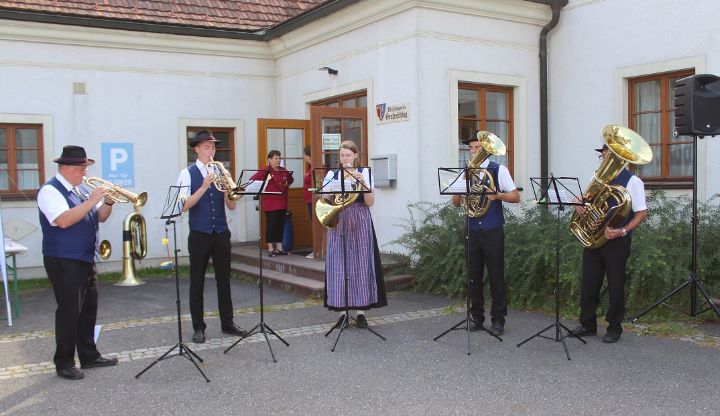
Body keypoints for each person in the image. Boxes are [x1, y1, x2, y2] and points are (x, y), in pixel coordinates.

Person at [38, 145, 119, 380]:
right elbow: (63, 220)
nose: (85, 173)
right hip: (63, 259)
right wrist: (92, 199)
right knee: (69, 311)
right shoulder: (50, 191)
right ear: (66, 168)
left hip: (85, 257)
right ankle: (64, 362)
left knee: (88, 309)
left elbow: (99, 217)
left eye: (85, 168)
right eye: (81, 169)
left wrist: (108, 203)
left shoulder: (81, 190)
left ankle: (89, 355)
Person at [570, 144, 648, 343]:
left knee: (615, 285)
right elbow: (587, 202)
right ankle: (587, 324)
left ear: (620, 159)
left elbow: (641, 212)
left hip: (616, 240)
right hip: (594, 237)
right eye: (603, 156)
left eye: (607, 156)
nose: (604, 160)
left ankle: (614, 327)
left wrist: (622, 230)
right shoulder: (597, 178)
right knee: (589, 283)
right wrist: (579, 203)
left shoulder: (633, 181)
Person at [177, 130, 246, 344]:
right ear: (196, 149)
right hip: (199, 233)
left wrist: (226, 190)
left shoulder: (221, 171)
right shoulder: (187, 174)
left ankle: (228, 322)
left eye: (213, 147)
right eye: (206, 147)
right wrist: (204, 186)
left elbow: (233, 205)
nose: (211, 151)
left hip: (221, 233)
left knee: (223, 280)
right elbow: (183, 205)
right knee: (196, 281)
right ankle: (199, 327)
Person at [451, 132, 520, 336]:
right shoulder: (466, 171)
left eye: (477, 148)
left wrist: (497, 195)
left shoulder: (499, 170)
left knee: (496, 275)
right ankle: (476, 317)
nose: (473, 151)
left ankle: (498, 319)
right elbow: (455, 203)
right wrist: (459, 191)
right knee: (473, 276)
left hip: (492, 230)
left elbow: (516, 196)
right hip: (472, 229)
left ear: (485, 150)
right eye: (471, 148)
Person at [323, 140, 387, 327]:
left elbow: (369, 202)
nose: (345, 159)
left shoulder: (365, 173)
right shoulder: (332, 174)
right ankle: (342, 313)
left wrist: (361, 182)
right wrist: (327, 190)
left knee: (361, 264)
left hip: (360, 219)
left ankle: (361, 313)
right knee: (339, 265)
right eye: (342, 156)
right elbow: (324, 199)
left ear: (356, 156)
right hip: (340, 219)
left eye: (348, 155)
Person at [250, 150, 294, 257]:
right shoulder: (266, 170)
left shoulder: (283, 170)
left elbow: (290, 180)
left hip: (282, 202)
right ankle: (270, 248)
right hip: (270, 204)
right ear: (269, 160)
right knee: (271, 225)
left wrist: (285, 184)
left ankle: (279, 248)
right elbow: (252, 180)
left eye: (279, 158)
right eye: (276, 158)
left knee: (280, 225)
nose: (278, 160)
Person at [302, 145, 315, 259]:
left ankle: (318, 249)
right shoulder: (309, 167)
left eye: (304, 155)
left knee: (316, 225)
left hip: (314, 200)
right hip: (309, 200)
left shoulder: (316, 167)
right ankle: (316, 248)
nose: (303, 157)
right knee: (313, 224)